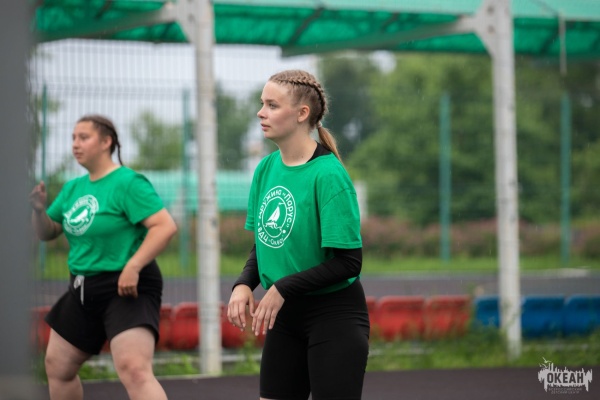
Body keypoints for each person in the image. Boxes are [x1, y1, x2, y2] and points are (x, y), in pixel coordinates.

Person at [227, 70, 370, 400]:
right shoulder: (266, 169)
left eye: (272, 105)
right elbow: (264, 244)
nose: (261, 113)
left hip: (334, 316)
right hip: (286, 317)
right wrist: (244, 283)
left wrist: (282, 287)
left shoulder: (329, 175)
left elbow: (349, 263)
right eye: (262, 103)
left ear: (302, 113)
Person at [30, 114, 177, 400]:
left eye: (84, 137)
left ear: (106, 142)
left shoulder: (128, 182)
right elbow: (48, 232)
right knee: (58, 367)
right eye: (73, 138)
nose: (75, 144)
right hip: (82, 288)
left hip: (126, 287)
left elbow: (164, 226)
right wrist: (38, 210)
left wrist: (133, 266)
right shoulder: (73, 188)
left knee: (134, 370)